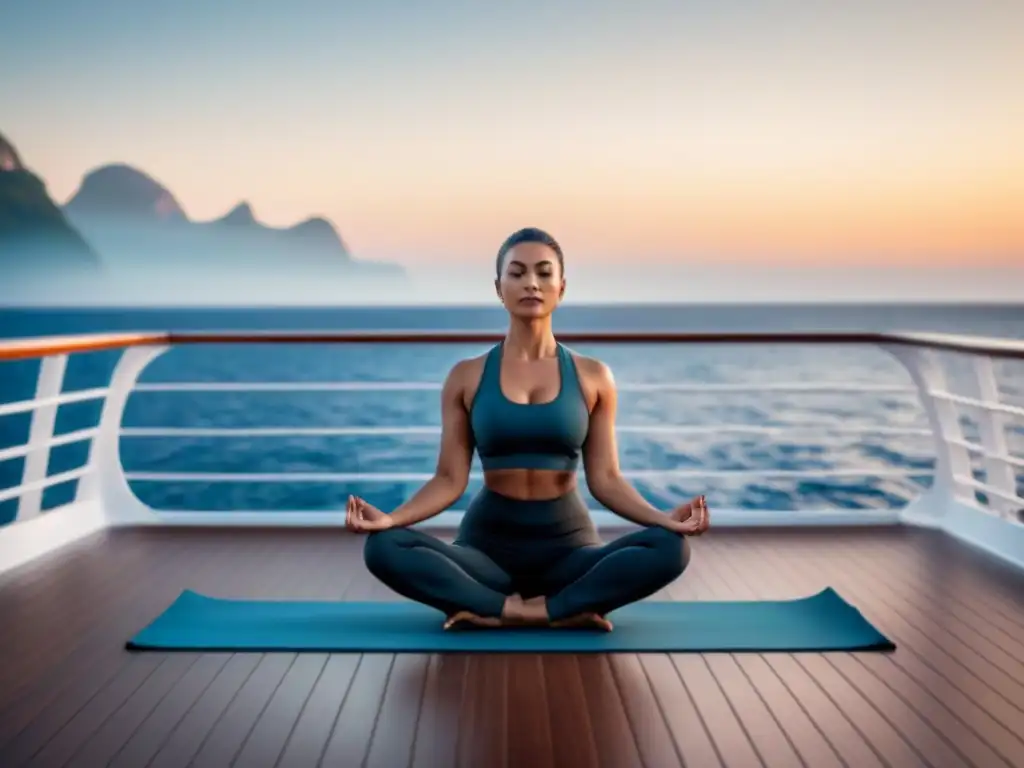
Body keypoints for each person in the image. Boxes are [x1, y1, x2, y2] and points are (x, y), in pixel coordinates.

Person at [346, 227, 710, 631]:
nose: (531, 283)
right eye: (516, 273)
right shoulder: (466, 376)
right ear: (499, 288)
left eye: (543, 273)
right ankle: (543, 608)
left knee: (670, 549)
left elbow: (606, 479)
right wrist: (391, 521)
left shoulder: (593, 377)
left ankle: (506, 609)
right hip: (486, 554)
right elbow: (449, 479)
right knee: (382, 548)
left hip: (568, 552)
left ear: (561, 287)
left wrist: (662, 519)